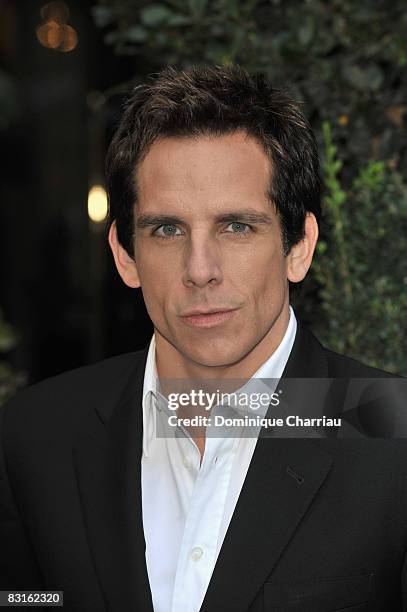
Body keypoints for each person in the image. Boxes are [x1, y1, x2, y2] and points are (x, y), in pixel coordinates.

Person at [0, 64, 406, 612]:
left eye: (236, 226)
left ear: (299, 248)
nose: (200, 270)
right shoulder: (35, 436)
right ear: (125, 254)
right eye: (167, 229)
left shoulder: (391, 436)